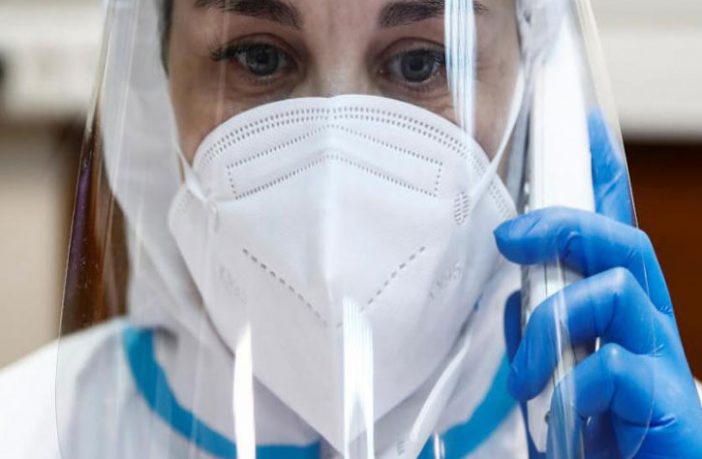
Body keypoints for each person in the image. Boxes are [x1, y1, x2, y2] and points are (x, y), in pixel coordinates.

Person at [1, 0, 700, 457]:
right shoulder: (29, 432)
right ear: (153, 90)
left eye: (421, 62)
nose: (332, 164)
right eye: (258, 57)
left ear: (534, 93)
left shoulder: (637, 431)